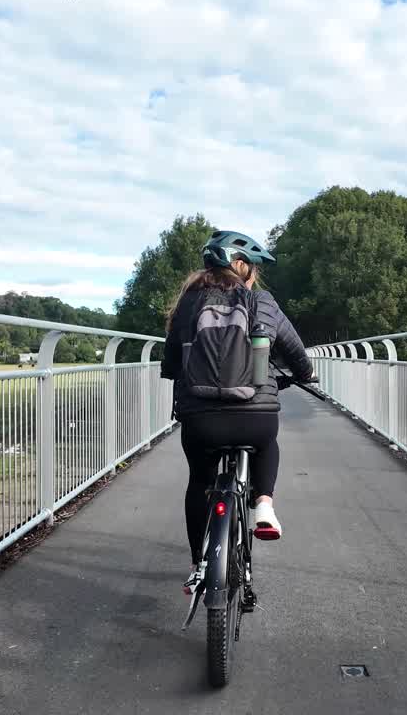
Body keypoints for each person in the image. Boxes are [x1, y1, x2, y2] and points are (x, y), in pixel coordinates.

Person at [160, 229, 316, 595]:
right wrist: (305, 374)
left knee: (199, 482)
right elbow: (296, 353)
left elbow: (170, 364)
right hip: (254, 416)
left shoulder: (188, 304)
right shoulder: (262, 301)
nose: (254, 276)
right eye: (253, 268)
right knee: (266, 444)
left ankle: (200, 565)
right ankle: (263, 505)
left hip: (201, 421)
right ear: (240, 265)